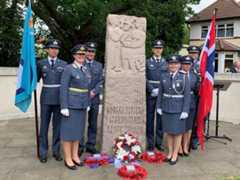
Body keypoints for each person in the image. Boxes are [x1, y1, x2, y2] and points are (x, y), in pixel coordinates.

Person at [60, 44, 91, 170]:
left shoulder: (85, 69)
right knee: (68, 133)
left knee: (78, 133)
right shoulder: (68, 69)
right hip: (71, 105)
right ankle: (68, 158)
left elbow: (86, 88)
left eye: (83, 54)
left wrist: (88, 102)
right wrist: (64, 106)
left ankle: (75, 156)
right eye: (79, 54)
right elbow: (63, 88)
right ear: (74, 55)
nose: (81, 56)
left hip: (82, 105)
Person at [156, 55, 190, 165]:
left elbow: (187, 96)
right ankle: (170, 153)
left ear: (179, 65)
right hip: (166, 108)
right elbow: (160, 93)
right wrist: (159, 107)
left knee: (178, 132)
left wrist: (185, 110)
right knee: (169, 132)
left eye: (175, 64)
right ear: (168, 65)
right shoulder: (163, 76)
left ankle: (175, 154)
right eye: (171, 63)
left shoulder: (184, 77)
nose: (173, 65)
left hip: (178, 109)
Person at [37, 39, 67, 163]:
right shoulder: (40, 63)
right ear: (47, 50)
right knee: (43, 126)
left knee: (58, 127)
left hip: (59, 99)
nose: (54, 50)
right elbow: (35, 80)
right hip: (45, 99)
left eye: (56, 48)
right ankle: (43, 152)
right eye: (52, 48)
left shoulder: (64, 64)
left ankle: (56, 151)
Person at [79, 42, 103, 155]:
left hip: (94, 98)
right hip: (82, 98)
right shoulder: (79, 63)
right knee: (80, 122)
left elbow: (101, 81)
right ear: (85, 52)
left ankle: (91, 144)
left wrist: (94, 91)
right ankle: (79, 145)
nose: (90, 53)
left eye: (92, 51)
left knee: (93, 123)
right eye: (88, 51)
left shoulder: (99, 65)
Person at [146, 39, 167, 151]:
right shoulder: (147, 62)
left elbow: (168, 78)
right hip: (150, 93)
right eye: (156, 48)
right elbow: (144, 77)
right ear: (153, 49)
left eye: (160, 48)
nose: (158, 50)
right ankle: (150, 142)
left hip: (162, 94)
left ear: (162, 50)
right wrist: (151, 89)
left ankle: (159, 142)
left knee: (160, 119)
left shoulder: (166, 63)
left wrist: (161, 90)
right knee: (150, 118)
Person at [180, 55, 200, 156]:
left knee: (188, 127)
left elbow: (197, 91)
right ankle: (179, 147)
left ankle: (186, 146)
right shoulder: (177, 75)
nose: (186, 66)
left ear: (191, 65)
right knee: (179, 127)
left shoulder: (195, 76)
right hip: (179, 104)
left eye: (188, 64)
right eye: (184, 64)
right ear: (181, 64)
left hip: (191, 103)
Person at [187, 45, 201, 150]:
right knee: (189, 118)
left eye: (195, 53)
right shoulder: (186, 63)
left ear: (198, 54)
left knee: (198, 118)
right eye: (191, 53)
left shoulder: (202, 63)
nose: (193, 55)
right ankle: (186, 140)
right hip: (190, 94)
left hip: (200, 94)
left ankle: (195, 139)